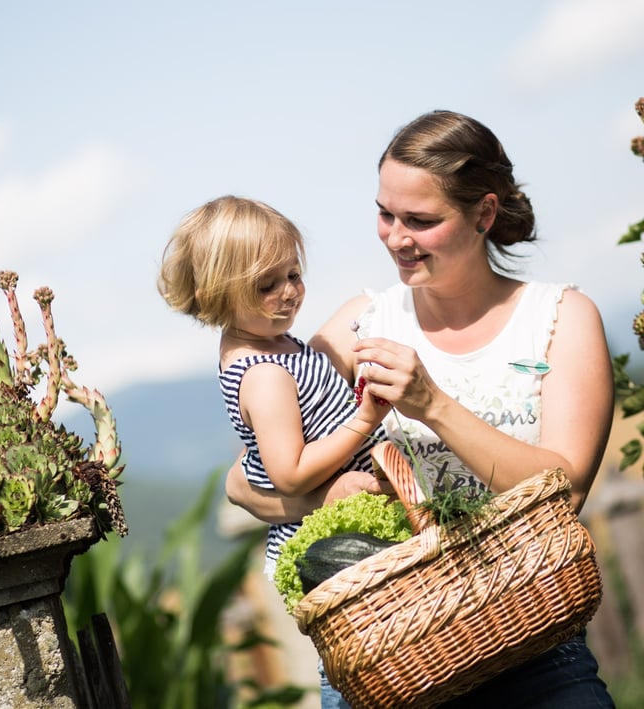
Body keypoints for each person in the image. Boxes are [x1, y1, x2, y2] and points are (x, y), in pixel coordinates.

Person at [225, 111, 615, 708]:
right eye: (385, 214)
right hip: (389, 657)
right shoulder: (361, 325)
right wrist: (323, 496)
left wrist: (431, 404)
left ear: (484, 214)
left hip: (536, 653)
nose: (395, 237)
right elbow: (244, 479)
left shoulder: (560, 319)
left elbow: (564, 493)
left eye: (421, 221)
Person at [157, 195, 391, 580]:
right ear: (218, 293)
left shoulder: (275, 344)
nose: (288, 292)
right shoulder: (264, 374)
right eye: (267, 285)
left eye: (294, 275)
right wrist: (366, 417)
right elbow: (292, 474)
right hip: (332, 547)